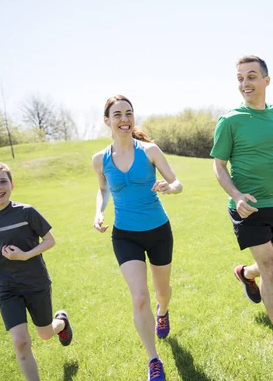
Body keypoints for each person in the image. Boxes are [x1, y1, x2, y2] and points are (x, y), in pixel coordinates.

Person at [210, 55, 273, 357]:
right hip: (247, 207)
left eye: (251, 76)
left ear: (266, 80)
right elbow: (219, 166)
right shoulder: (230, 120)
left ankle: (245, 274)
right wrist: (237, 196)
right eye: (240, 78)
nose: (245, 83)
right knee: (271, 269)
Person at [92, 95, 182, 381]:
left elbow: (177, 182)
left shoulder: (150, 150)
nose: (124, 119)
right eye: (117, 114)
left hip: (158, 231)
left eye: (128, 113)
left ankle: (164, 311)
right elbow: (103, 190)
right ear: (107, 121)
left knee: (161, 292)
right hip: (125, 235)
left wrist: (169, 187)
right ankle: (153, 359)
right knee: (139, 297)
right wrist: (98, 213)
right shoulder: (100, 159)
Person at [0, 162, 73, 381]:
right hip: (6, 286)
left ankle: (61, 321)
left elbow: (50, 241)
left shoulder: (27, 212)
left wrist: (24, 255)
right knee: (21, 342)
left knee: (44, 334)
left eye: (3, 181)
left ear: (12, 184)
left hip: (35, 282)